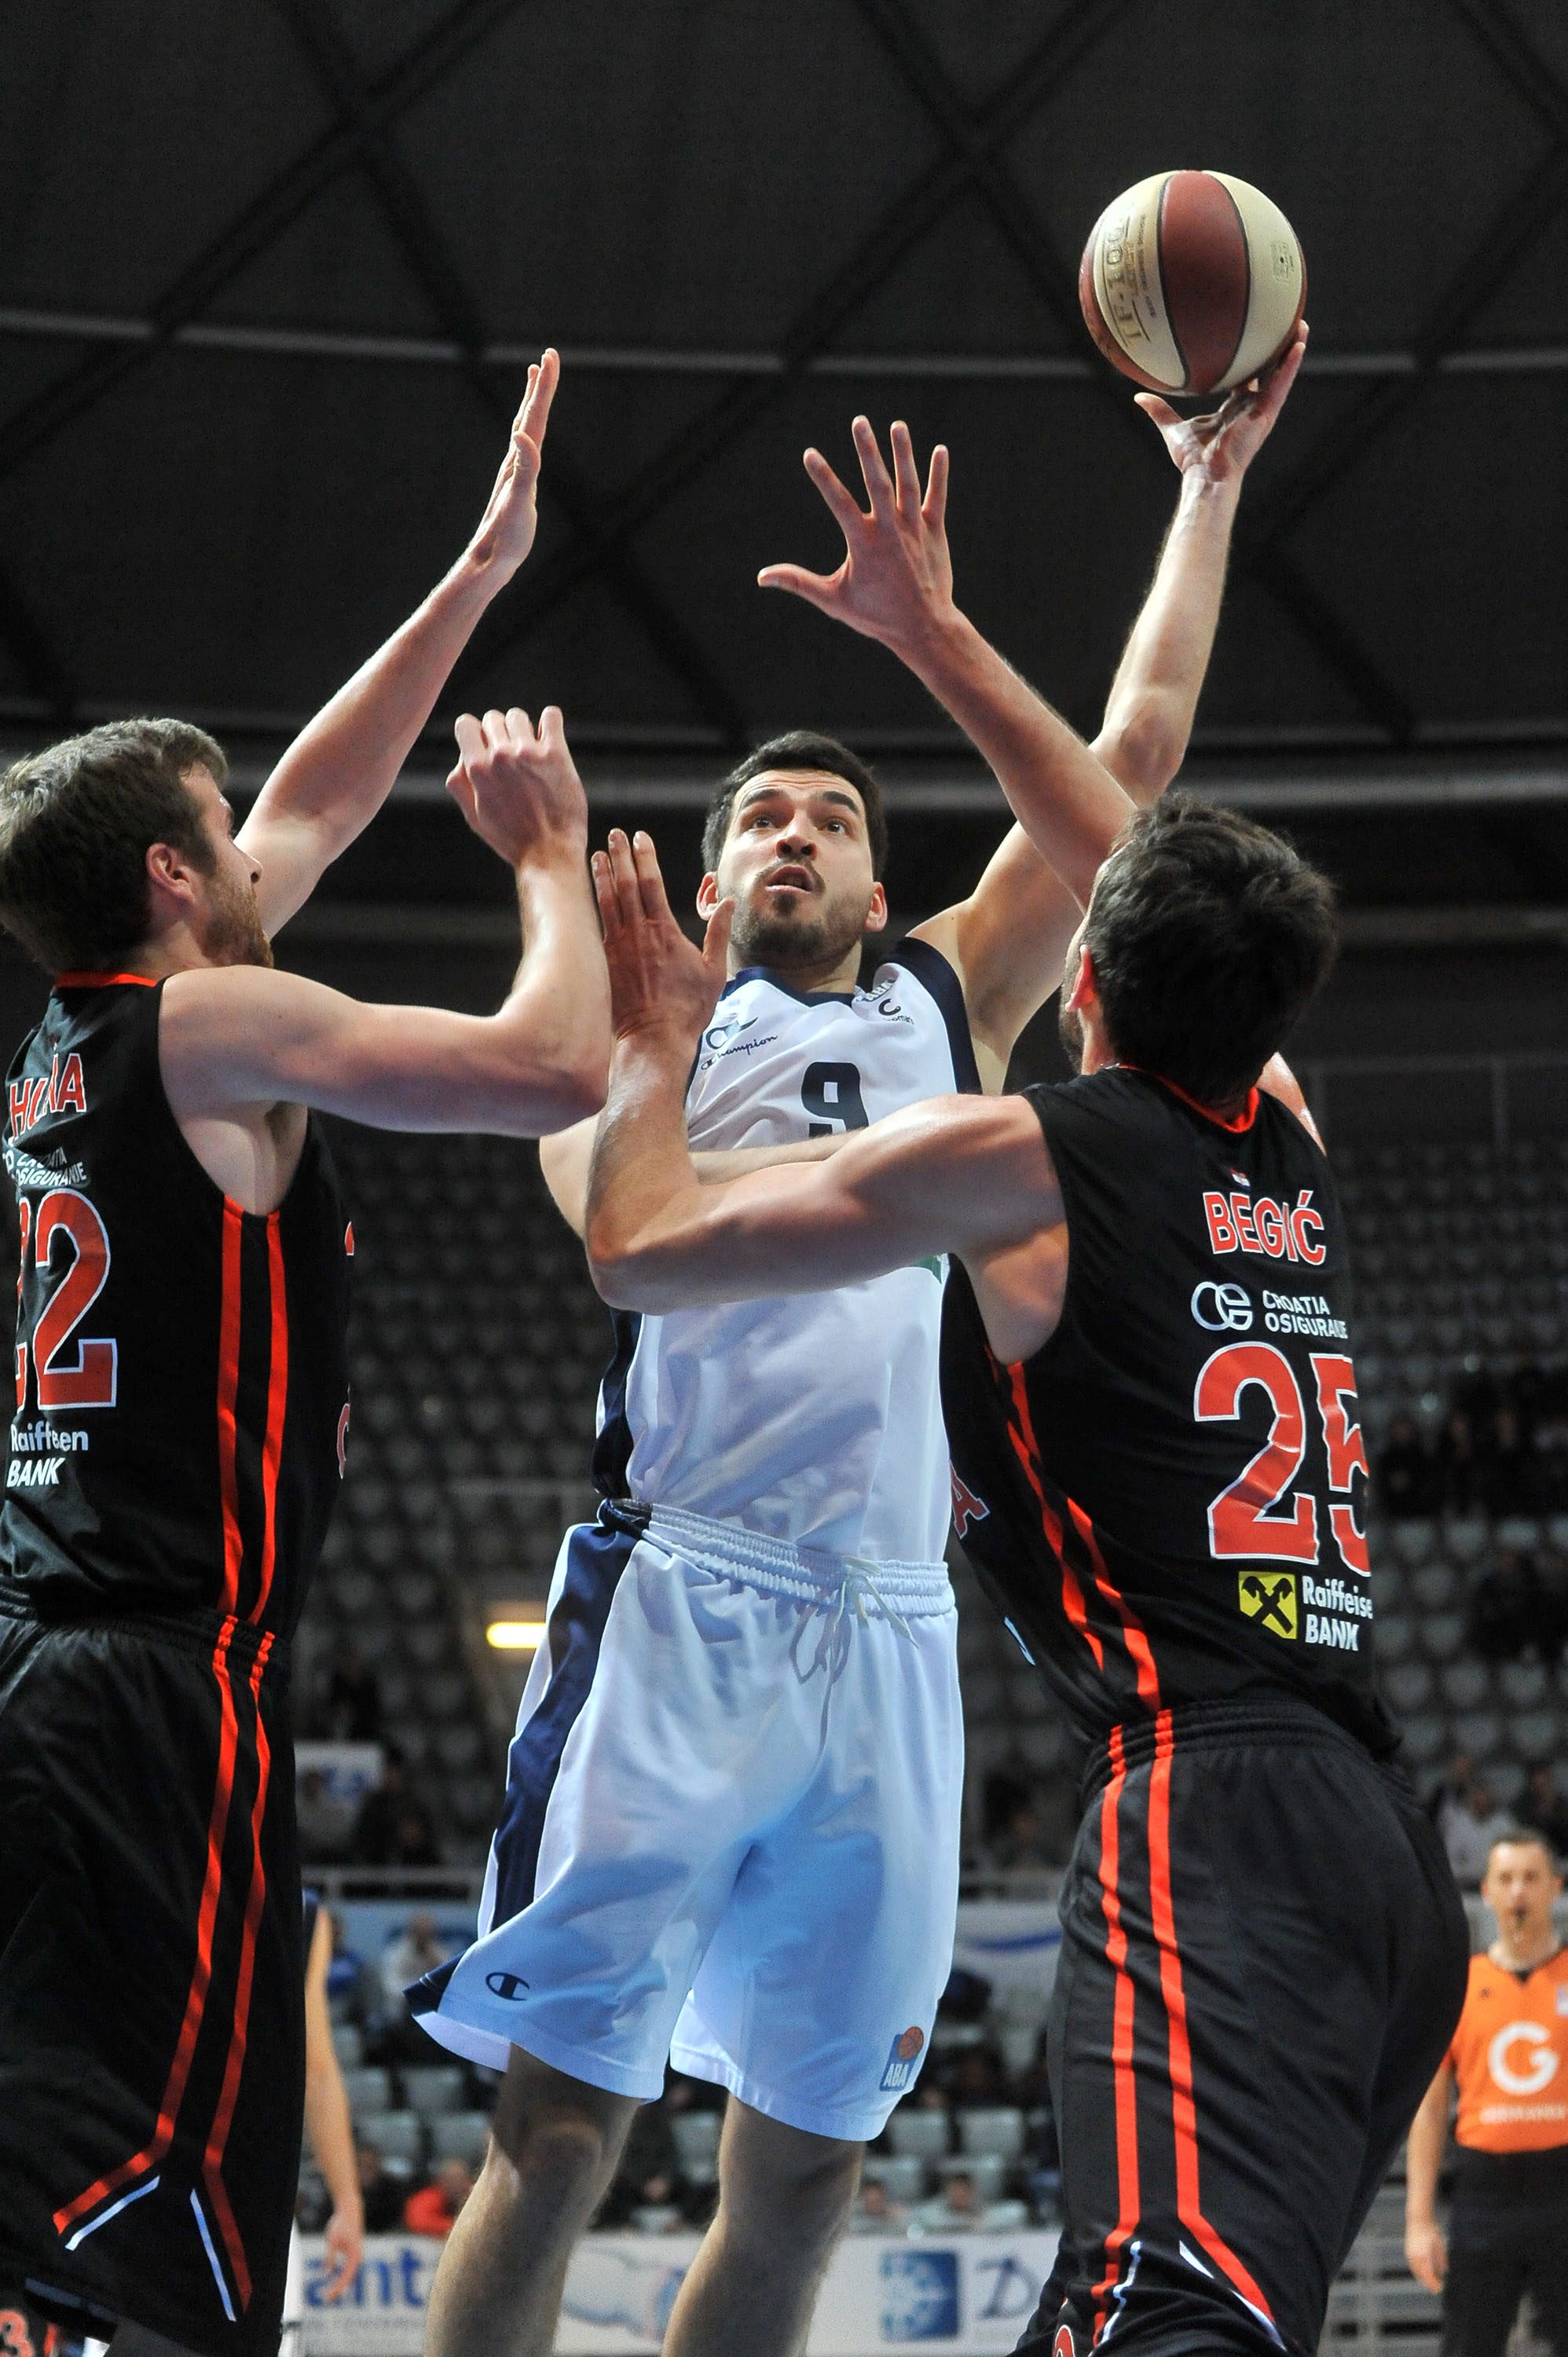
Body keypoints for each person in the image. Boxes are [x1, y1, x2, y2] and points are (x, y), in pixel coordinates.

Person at [411, 339, 1309, 2357]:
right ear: (714, 880)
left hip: (900, 1625)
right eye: (765, 819)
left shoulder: (944, 995)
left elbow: (1131, 762)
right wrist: (634, 1038)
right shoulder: (625, 1030)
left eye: (830, 813)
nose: (797, 833)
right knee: (559, 2130)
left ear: (885, 882)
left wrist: (1206, 481)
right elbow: (609, 1238)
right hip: (683, 1604)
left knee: (806, 2161)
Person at [579, 775, 1470, 2356]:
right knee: (1171, 2311)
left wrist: (648, 1043)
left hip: (1205, 1799)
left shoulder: (1015, 1153)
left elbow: (632, 1241)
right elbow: (1123, 828)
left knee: (1161, 2316)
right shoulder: (1289, 1155)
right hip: (1382, 1843)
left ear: (1079, 989)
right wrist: (948, 635)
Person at [0, 352, 611, 2357]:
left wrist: (476, 569)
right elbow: (541, 1068)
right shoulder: (209, 1034)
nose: (255, 842)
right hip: (157, 1688)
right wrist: (545, 862)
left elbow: (313, 803)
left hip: (66, 1663)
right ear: (178, 884)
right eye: (217, 833)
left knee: (76, 2171)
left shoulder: (80, 1044)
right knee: (145, 2224)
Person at [1405, 1835, 1568, 2356]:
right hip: (1483, 2195)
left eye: (1531, 1877)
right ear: (1487, 1891)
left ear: (1554, 1888)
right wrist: (1418, 2221)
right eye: (1506, 1878)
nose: (1518, 1889)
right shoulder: (1460, 1985)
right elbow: (1430, 2112)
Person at [280, 1895, 365, 2357]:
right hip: (146, 2185)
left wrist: (347, 2200)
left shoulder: (305, 1914)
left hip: (252, 2201)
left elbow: (317, 2070)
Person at [405, 2163, 475, 2241]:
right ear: (441, 2180)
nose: (455, 2184)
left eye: (460, 2179)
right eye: (451, 2179)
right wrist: (458, 2226)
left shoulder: (475, 2198)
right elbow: (418, 2222)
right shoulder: (429, 2197)